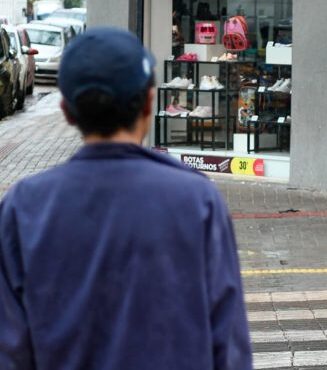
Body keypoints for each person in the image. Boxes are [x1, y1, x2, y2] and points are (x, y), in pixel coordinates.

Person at [0, 28, 253, 370]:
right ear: (150, 102)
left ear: (67, 111)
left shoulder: (23, 207)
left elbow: (10, 350)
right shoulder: (197, 201)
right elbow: (229, 347)